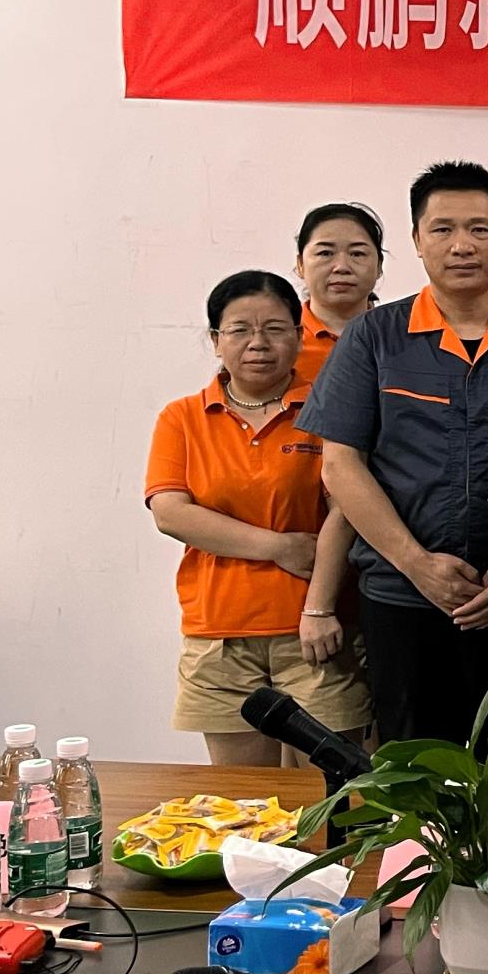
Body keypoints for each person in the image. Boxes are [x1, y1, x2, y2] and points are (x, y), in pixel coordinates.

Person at [302, 161, 488, 743]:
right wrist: (416, 564)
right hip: (401, 596)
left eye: (479, 229)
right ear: (417, 240)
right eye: (443, 229)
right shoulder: (374, 337)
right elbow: (341, 466)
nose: (462, 245)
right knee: (413, 765)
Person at [145, 272, 368, 764]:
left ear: (299, 336)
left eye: (275, 328)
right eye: (240, 329)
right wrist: (280, 547)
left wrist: (319, 608)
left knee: (333, 791)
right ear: (215, 340)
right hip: (219, 635)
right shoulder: (181, 418)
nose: (258, 343)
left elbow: (348, 509)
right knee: (241, 796)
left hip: (317, 631)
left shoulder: (329, 410)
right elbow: (172, 513)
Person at [292, 202, 386, 388]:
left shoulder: (400, 337)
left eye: (357, 254)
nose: (342, 267)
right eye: (325, 253)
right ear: (301, 265)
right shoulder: (283, 343)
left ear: (379, 266)